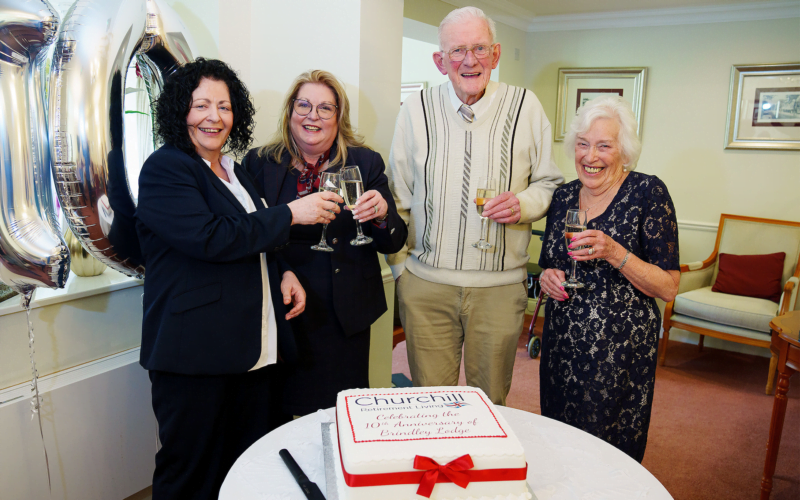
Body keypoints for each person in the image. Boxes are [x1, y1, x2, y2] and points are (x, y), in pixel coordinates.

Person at [135, 58, 342, 500]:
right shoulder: (166, 168)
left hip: (253, 353)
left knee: (248, 468)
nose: (214, 117)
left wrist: (283, 268)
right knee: (191, 474)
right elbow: (211, 238)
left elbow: (252, 238)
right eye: (201, 105)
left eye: (224, 107)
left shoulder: (234, 170)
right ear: (179, 111)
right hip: (195, 356)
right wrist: (291, 213)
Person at [386, 6, 564, 406]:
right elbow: (397, 196)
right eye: (458, 51)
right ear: (440, 61)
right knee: (430, 405)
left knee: (490, 405)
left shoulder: (526, 106)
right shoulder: (415, 110)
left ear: (496, 54)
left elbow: (549, 181)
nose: (470, 60)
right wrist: (401, 271)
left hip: (499, 290)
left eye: (480, 48)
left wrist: (522, 203)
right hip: (426, 286)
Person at [243, 70, 407, 417]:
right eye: (303, 105)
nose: (311, 116)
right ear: (289, 111)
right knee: (277, 413)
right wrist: (283, 271)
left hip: (343, 314)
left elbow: (393, 241)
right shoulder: (259, 163)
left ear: (339, 116)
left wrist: (380, 214)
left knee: (339, 416)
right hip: (282, 306)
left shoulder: (365, 162)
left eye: (324, 108)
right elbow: (252, 231)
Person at [537, 94, 680, 462]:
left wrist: (615, 252)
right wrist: (548, 279)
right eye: (583, 144)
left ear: (625, 152)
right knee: (558, 439)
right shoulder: (564, 195)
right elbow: (549, 267)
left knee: (608, 452)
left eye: (604, 145)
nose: (590, 156)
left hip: (620, 354)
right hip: (562, 345)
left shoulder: (649, 192)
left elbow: (668, 286)